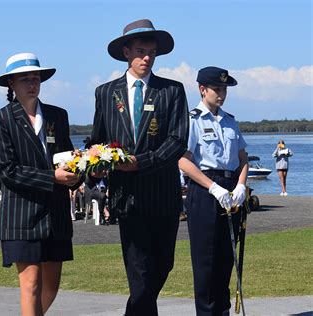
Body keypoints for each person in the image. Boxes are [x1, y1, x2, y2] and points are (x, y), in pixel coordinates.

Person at [90, 19, 189, 315]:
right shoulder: (106, 93)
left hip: (163, 196)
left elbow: (177, 141)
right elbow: (97, 140)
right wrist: (93, 166)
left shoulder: (172, 90)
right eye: (141, 51)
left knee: (162, 266)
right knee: (140, 276)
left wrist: (140, 163)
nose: (147, 58)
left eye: (152, 53)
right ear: (125, 52)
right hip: (127, 198)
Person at [0, 52, 80, 315]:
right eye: (25, 79)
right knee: (30, 284)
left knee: (51, 286)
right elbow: (8, 171)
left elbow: (68, 155)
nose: (32, 83)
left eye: (36, 78)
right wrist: (53, 177)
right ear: (11, 84)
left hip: (56, 213)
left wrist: (81, 172)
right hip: (21, 215)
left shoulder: (57, 116)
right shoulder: (1, 119)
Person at [178, 66, 249, 315]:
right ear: (202, 89)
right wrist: (214, 187)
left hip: (231, 189)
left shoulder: (230, 121)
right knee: (206, 263)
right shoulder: (192, 120)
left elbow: (243, 158)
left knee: (226, 259)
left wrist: (241, 184)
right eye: (217, 89)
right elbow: (184, 161)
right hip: (205, 189)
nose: (222, 94)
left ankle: (223, 310)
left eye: (224, 89)